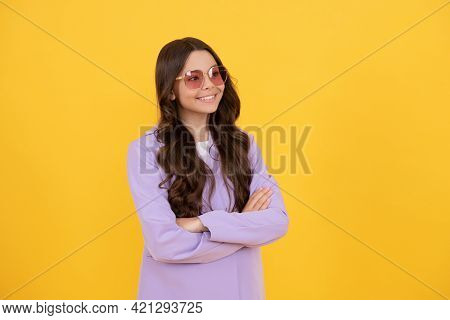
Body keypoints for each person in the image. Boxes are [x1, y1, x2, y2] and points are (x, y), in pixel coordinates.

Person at [126, 37, 289, 300]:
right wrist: (243, 226)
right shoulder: (145, 151)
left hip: (240, 294)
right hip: (176, 298)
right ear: (170, 90)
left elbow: (277, 222)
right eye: (194, 77)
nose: (209, 85)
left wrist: (201, 223)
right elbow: (163, 244)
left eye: (216, 74)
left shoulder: (244, 145)